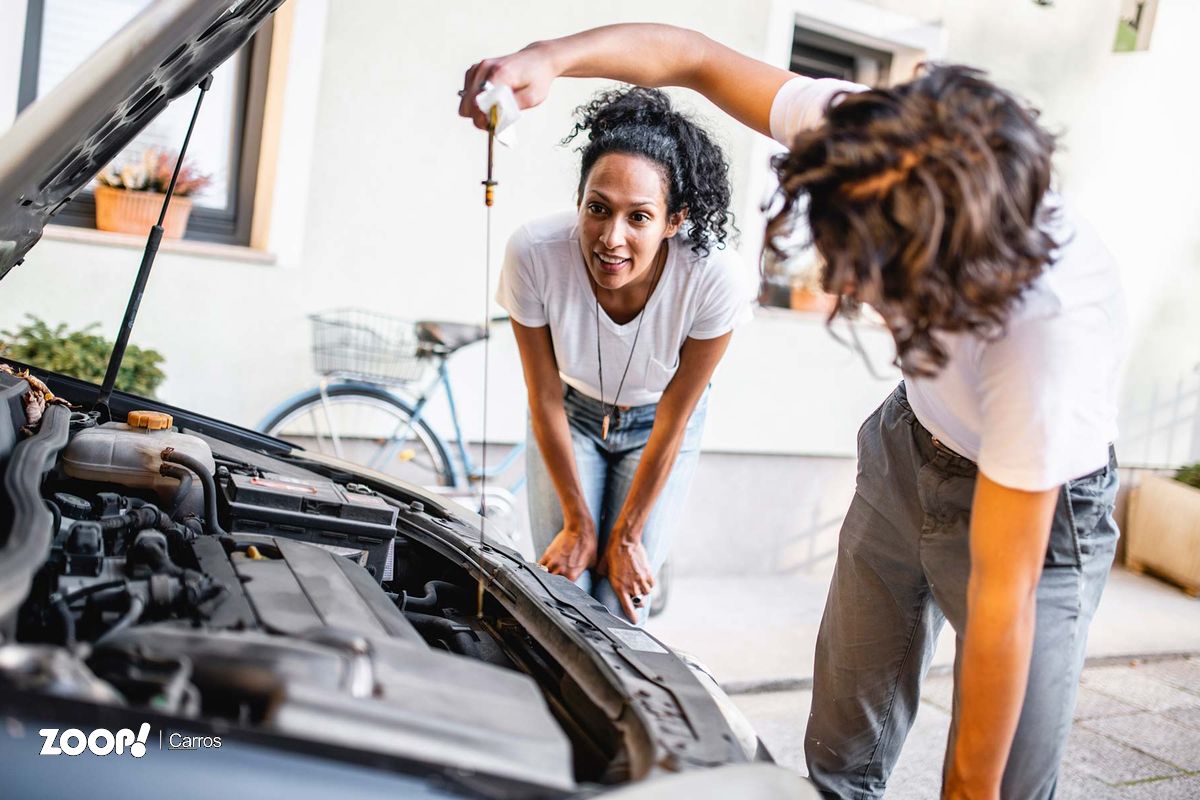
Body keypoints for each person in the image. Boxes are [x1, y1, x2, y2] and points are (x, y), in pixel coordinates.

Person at [459, 25, 1126, 800]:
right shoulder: (879, 145)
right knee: (840, 754)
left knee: (1001, 781)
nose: (857, 294)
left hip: (1037, 507)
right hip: (910, 445)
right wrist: (548, 60)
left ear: (943, 259)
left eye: (875, 277)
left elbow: (1004, 606)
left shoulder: (1045, 334)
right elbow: (696, 60)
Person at [495, 86, 751, 626]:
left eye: (639, 217)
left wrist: (629, 535)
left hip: (660, 424)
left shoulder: (713, 277)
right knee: (563, 590)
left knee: (621, 604)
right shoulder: (534, 254)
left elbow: (676, 418)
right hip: (569, 415)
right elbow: (542, 396)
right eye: (598, 209)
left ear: (674, 221)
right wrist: (578, 525)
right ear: (580, 199)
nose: (612, 238)